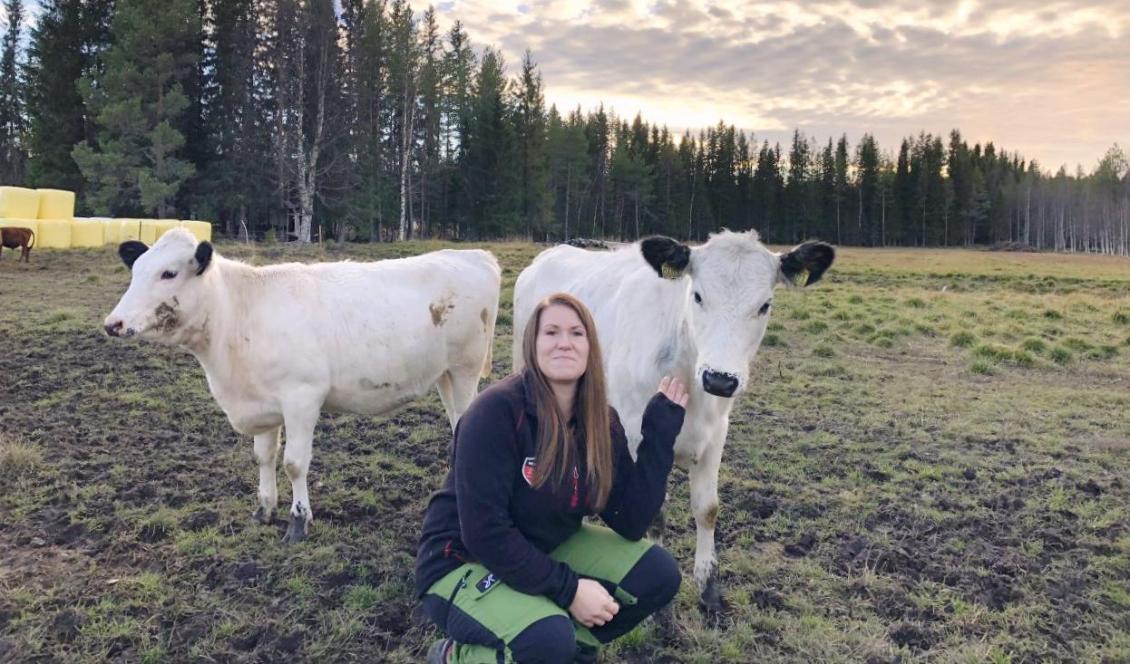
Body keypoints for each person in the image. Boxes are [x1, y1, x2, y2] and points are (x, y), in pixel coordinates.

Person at [415, 292, 689, 664]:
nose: (564, 342)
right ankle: (454, 656)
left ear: (591, 347)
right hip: (462, 558)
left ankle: (573, 649)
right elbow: (484, 533)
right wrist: (571, 590)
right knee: (546, 640)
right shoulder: (495, 412)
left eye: (577, 333)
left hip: (542, 547)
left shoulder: (599, 421)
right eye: (551, 333)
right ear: (533, 344)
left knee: (657, 574)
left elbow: (631, 520)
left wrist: (660, 435)